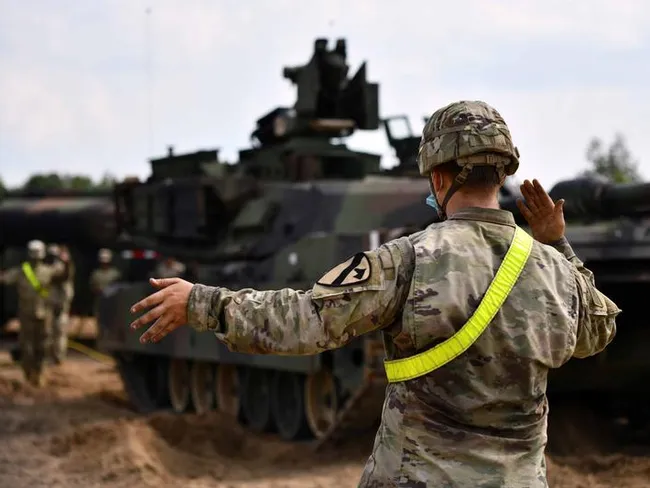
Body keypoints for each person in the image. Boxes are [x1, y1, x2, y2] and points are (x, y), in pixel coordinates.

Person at [129, 100, 620, 487]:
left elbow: (304, 322)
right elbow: (598, 330)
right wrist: (558, 245)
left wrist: (203, 302)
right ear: (503, 174)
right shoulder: (552, 269)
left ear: (438, 177)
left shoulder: (408, 259)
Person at [0, 240, 70, 386]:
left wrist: (67, 263)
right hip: (27, 314)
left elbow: (64, 276)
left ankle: (39, 374)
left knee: (42, 346)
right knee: (28, 347)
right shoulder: (22, 271)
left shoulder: (46, 271)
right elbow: (4, 278)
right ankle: (30, 374)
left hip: (43, 313)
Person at [46, 243, 75, 364]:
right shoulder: (48, 267)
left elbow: (64, 275)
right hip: (50, 304)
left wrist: (67, 263)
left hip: (60, 305)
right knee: (48, 332)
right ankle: (50, 356)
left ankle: (58, 357)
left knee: (59, 331)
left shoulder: (61, 267)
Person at [89, 248, 121, 319]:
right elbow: (92, 287)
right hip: (100, 301)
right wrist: (99, 291)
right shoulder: (96, 273)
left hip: (112, 302)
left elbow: (119, 287)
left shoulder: (115, 273)